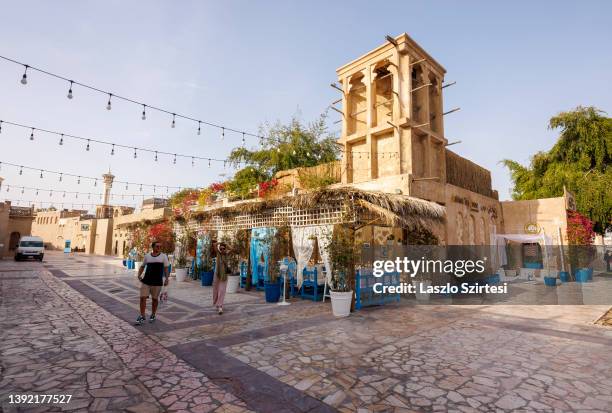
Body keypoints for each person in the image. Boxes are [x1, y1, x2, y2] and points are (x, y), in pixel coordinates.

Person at [135, 241, 169, 325]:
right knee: (142, 298)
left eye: (160, 247)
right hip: (146, 280)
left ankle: (153, 314)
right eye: (157, 246)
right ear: (153, 247)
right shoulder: (147, 256)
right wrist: (139, 275)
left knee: (154, 299)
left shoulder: (163, 256)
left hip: (157, 282)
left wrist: (167, 279)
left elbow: (166, 268)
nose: (159, 248)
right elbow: (142, 266)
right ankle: (142, 316)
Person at [213, 242, 229, 314]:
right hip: (217, 274)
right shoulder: (218, 254)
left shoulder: (227, 254)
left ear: (225, 249)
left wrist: (227, 244)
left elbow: (232, 249)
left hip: (224, 275)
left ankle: (220, 306)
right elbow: (214, 245)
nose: (222, 250)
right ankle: (217, 303)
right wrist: (220, 242)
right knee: (216, 290)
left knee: (222, 290)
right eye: (221, 248)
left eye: (223, 248)